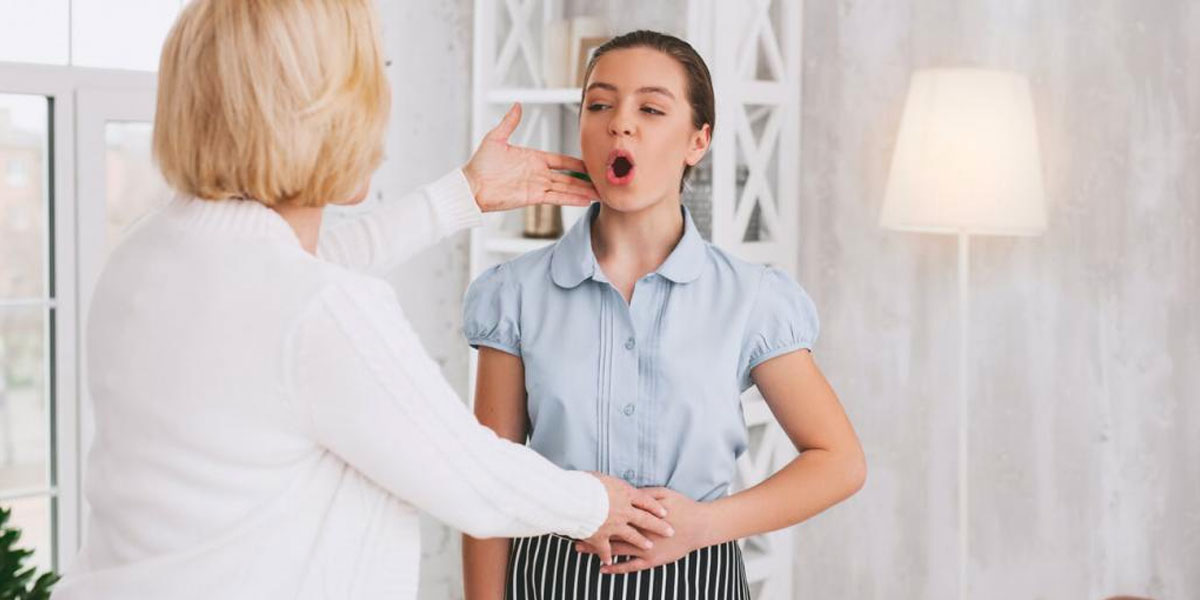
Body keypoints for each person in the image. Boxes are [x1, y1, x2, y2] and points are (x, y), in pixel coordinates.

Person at [51, 2, 672, 598]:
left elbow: (285, 278)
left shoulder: (145, 253)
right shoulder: (318, 312)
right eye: (374, 76)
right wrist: (598, 504)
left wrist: (463, 194)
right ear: (319, 110)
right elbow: (471, 476)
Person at [461, 31, 867, 600]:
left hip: (701, 576)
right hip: (548, 579)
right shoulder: (515, 294)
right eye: (599, 105)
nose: (619, 124)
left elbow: (839, 461)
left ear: (697, 141)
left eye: (651, 109)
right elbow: (490, 480)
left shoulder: (752, 298)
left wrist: (707, 524)